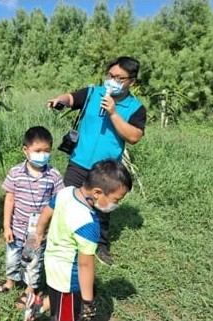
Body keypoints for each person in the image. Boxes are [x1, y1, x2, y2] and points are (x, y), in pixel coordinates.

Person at [47, 56, 146, 265]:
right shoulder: (93, 93)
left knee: (102, 207)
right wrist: (60, 100)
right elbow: (72, 98)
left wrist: (113, 112)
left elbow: (134, 136)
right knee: (68, 199)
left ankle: (100, 245)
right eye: (110, 75)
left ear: (132, 82)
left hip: (106, 168)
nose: (112, 81)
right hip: (80, 159)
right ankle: (62, 236)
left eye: (119, 78)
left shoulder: (135, 108)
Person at [34, 159, 132, 321]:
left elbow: (47, 210)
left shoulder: (66, 192)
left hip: (52, 264)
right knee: (66, 315)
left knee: (57, 297)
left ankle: (40, 306)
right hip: (68, 281)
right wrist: (88, 302)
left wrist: (39, 232)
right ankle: (44, 310)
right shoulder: (88, 223)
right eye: (116, 200)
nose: (117, 204)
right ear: (97, 193)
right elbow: (85, 264)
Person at [0, 126, 64, 306]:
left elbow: (58, 204)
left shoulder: (53, 176)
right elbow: (9, 200)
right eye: (38, 151)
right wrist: (6, 226)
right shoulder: (16, 173)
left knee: (32, 261)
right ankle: (10, 282)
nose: (43, 154)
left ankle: (30, 289)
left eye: (47, 151)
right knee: (12, 257)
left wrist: (49, 229)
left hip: (35, 233)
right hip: (16, 230)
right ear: (25, 150)